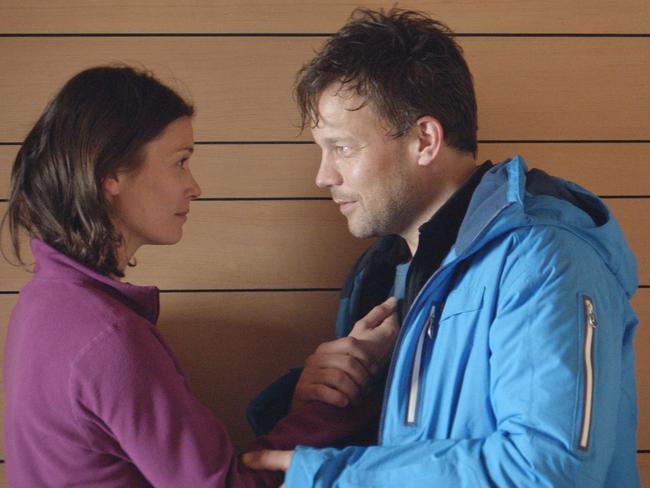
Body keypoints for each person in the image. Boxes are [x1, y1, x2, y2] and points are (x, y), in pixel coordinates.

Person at [243, 8, 641, 487]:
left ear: (425, 139)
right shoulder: (380, 275)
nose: (324, 176)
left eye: (342, 148)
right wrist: (313, 397)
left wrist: (334, 477)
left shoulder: (543, 261)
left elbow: (547, 473)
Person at [1, 65, 399, 487]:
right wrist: (338, 399)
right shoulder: (108, 338)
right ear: (112, 173)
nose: (195, 187)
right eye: (180, 162)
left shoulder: (42, 303)